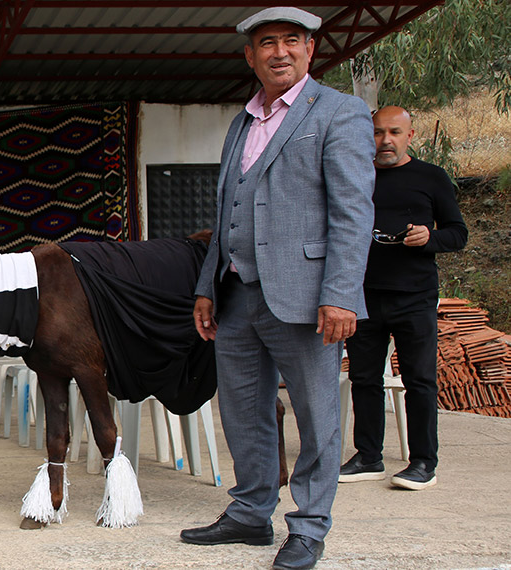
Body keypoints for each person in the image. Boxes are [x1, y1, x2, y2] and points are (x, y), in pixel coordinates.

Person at [181, 7, 376, 570]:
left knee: (316, 417)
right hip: (237, 293)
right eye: (267, 43)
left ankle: (310, 527)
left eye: (292, 41)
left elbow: (352, 212)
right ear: (250, 55)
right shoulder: (242, 121)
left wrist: (340, 294)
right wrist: (205, 287)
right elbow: (226, 212)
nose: (280, 52)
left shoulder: (340, 112)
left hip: (309, 296)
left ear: (311, 51)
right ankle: (249, 513)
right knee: (243, 411)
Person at [339, 106, 468, 490]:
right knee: (364, 378)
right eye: (378, 133)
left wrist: (430, 238)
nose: (385, 141)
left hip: (415, 296)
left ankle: (424, 462)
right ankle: (368, 456)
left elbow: (458, 234)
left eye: (394, 132)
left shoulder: (431, 177)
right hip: (363, 295)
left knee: (420, 380)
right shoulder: (356, 177)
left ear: (410, 135)